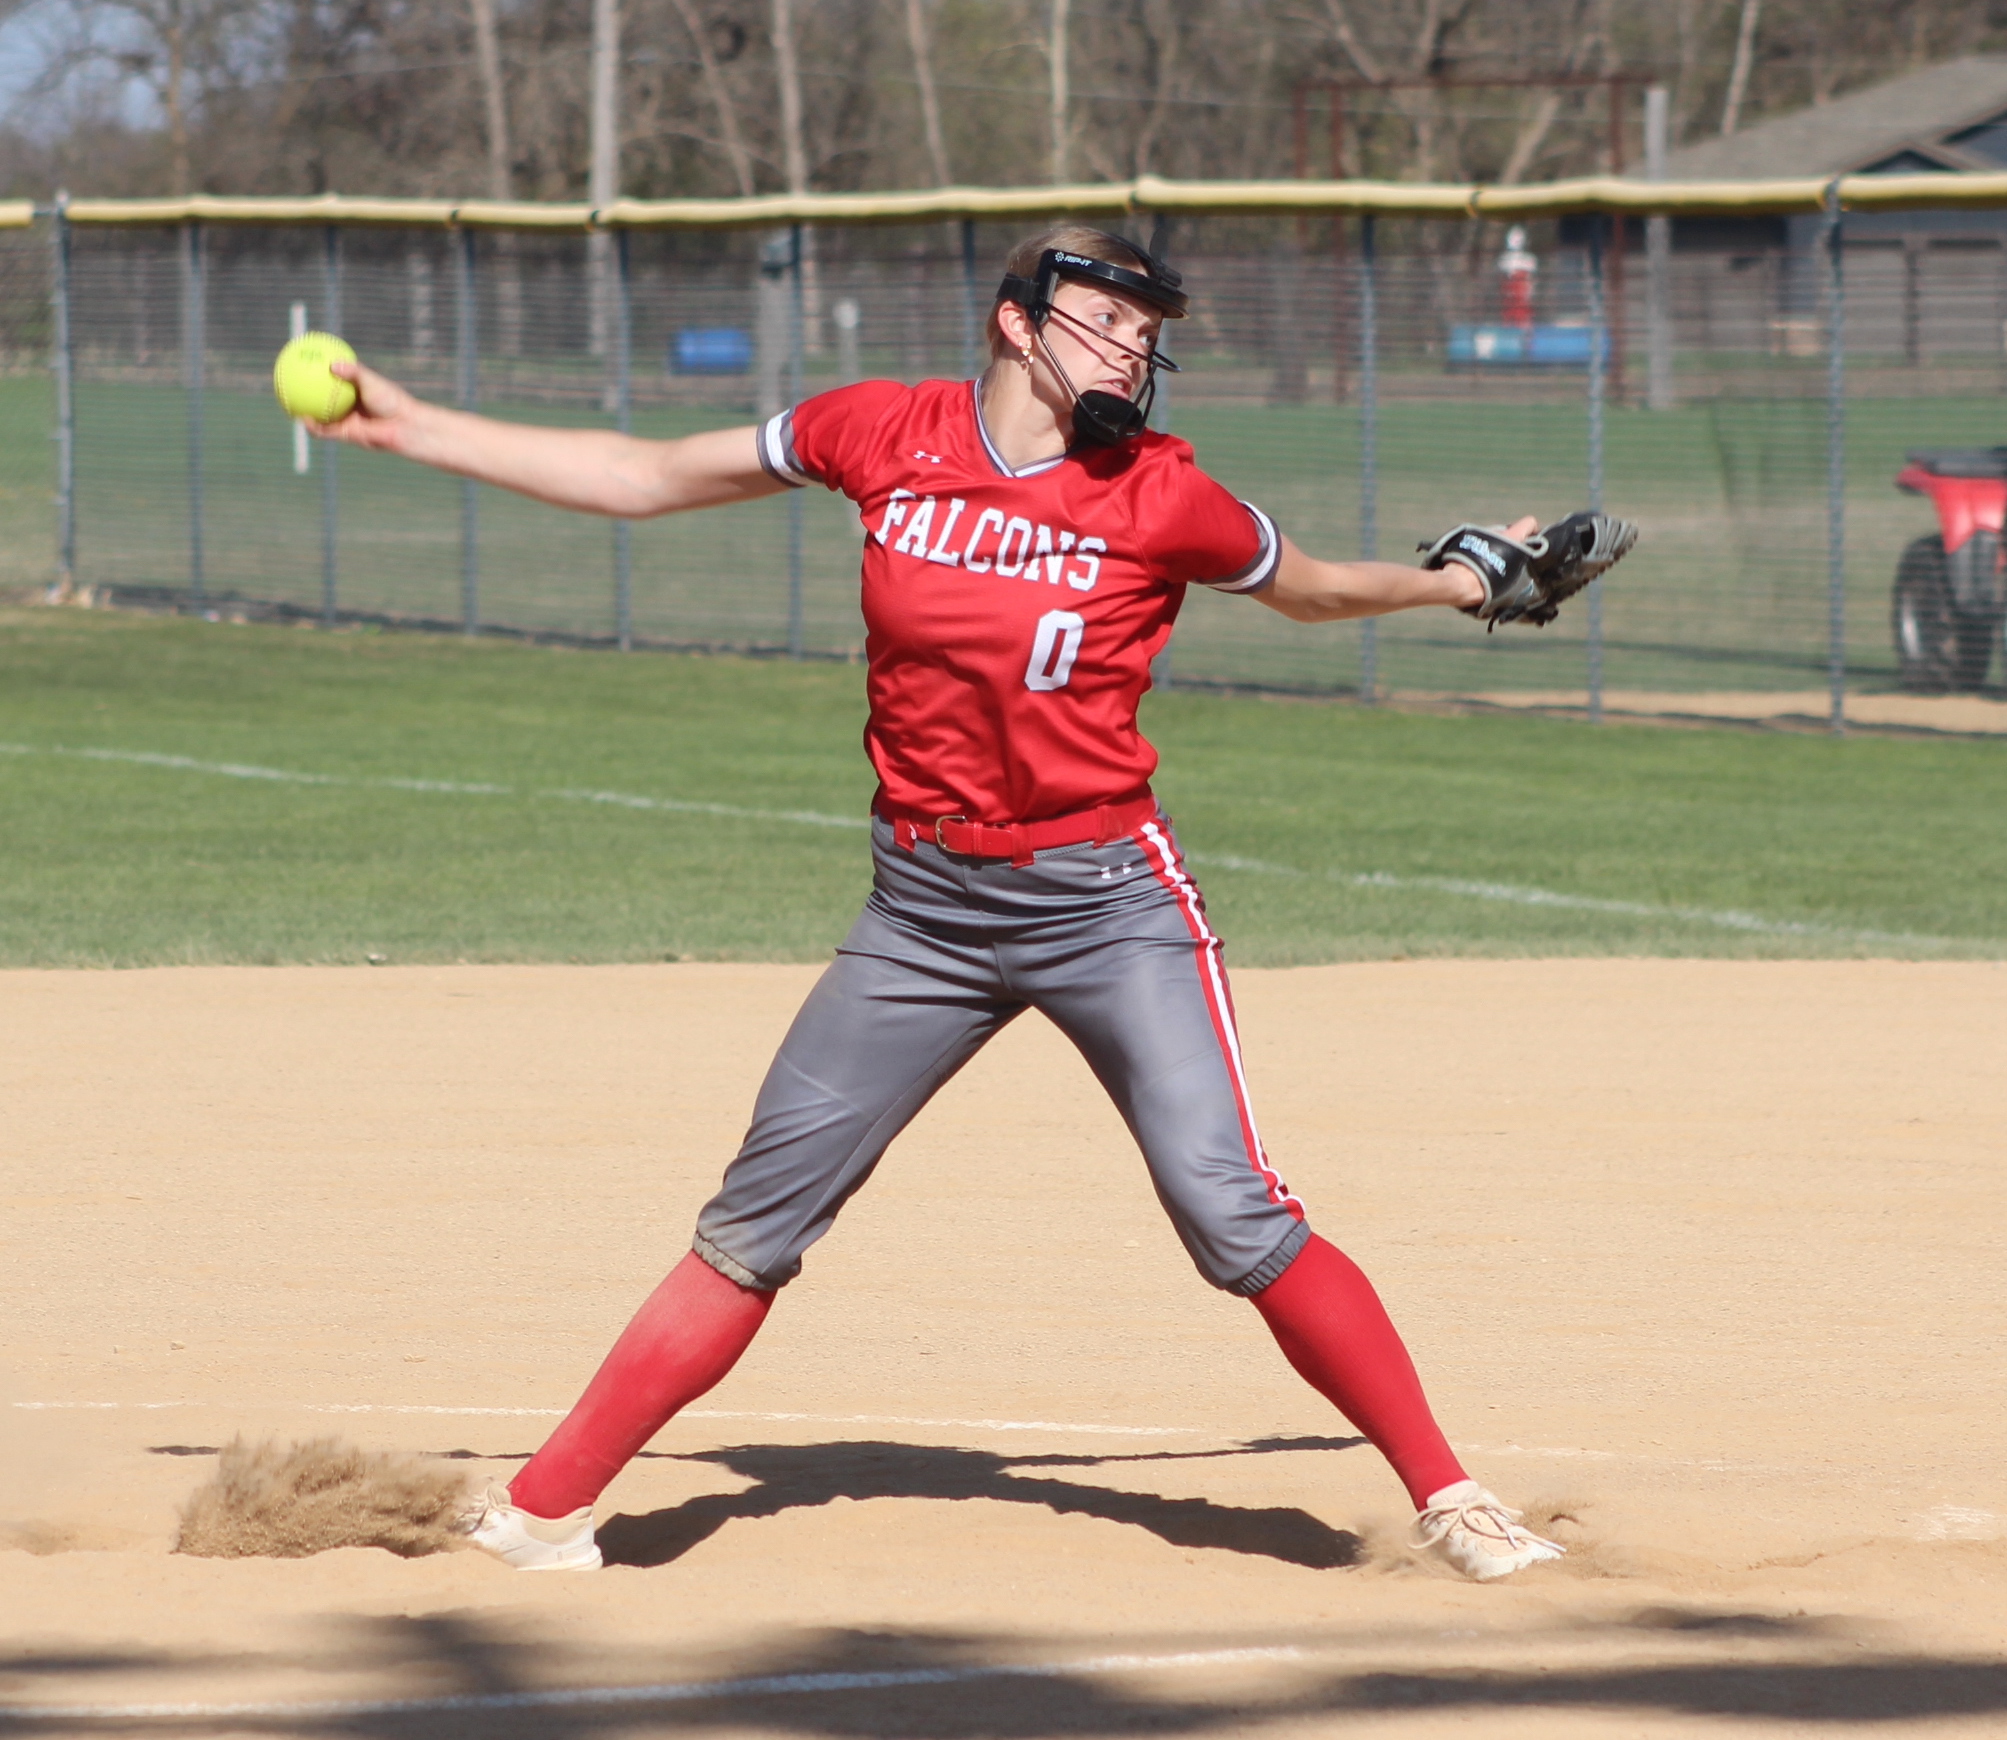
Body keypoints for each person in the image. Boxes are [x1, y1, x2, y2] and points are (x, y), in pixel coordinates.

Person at [314, 224, 1565, 1583]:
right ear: (1018, 322)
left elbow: (1314, 590)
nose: (1134, 350)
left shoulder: (1159, 490)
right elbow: (643, 473)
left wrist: (1462, 579)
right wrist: (413, 425)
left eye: (1149, 333)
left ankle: (1453, 1500)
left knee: (1231, 1214)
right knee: (753, 1222)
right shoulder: (881, 432)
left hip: (1106, 901)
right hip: (921, 912)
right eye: (1106, 320)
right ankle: (542, 1511)